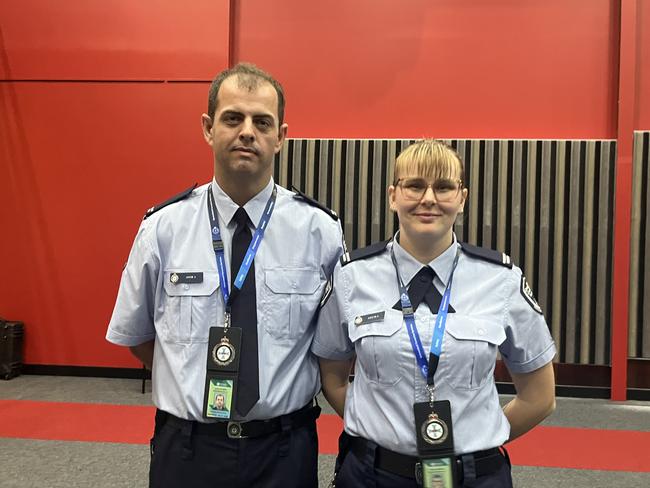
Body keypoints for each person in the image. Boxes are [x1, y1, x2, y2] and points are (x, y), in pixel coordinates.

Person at [106, 63, 344, 488]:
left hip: (284, 450)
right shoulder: (163, 228)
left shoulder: (319, 231)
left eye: (262, 121)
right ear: (207, 128)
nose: (247, 131)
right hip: (188, 448)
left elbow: (332, 347)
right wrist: (189, 371)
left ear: (282, 136)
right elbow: (139, 335)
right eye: (233, 118)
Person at [313, 140, 556, 487]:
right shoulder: (352, 277)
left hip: (474, 478)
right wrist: (379, 430)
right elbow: (333, 378)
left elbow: (539, 397)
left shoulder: (501, 280)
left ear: (462, 198)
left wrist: (478, 439)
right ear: (393, 195)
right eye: (415, 185)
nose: (428, 198)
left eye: (443, 187)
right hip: (372, 475)